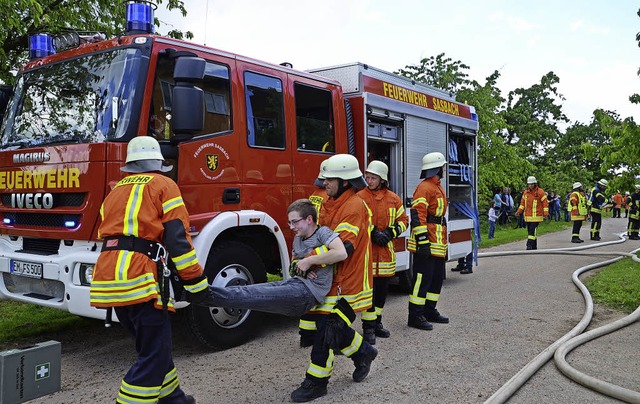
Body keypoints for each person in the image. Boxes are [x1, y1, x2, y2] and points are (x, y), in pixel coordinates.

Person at [90, 137, 214, 404]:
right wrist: (195, 281)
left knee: (153, 347)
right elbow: (178, 239)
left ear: (130, 165)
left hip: (109, 277)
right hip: (140, 278)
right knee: (154, 355)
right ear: (158, 162)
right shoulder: (164, 185)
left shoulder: (114, 190)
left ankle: (173, 399)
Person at [291, 154, 377, 403]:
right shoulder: (329, 202)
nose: (324, 183)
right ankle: (364, 353)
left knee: (327, 333)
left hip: (348, 283)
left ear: (345, 180)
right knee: (332, 330)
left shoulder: (354, 206)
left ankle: (317, 382)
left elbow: (344, 247)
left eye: (329, 179)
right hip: (330, 280)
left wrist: (308, 258)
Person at [198, 199, 347, 317]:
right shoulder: (298, 238)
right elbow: (293, 267)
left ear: (309, 219)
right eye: (289, 222)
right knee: (250, 290)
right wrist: (303, 268)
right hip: (295, 283)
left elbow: (341, 252)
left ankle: (202, 295)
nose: (291, 226)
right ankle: (202, 293)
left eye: (294, 222)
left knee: (252, 295)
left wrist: (309, 261)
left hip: (307, 294)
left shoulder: (323, 233)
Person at [357, 160, 408, 345]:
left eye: (373, 178)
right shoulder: (360, 196)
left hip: (386, 254)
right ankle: (368, 328)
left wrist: (390, 232)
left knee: (381, 293)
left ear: (382, 179)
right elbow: (358, 219)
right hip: (368, 253)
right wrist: (372, 232)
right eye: (367, 177)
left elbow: (404, 220)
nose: (368, 180)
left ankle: (377, 323)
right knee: (368, 294)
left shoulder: (394, 198)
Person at [407, 152, 450, 331]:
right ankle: (415, 315)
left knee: (436, 278)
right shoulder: (425, 187)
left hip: (438, 241)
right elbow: (418, 215)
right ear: (437, 168)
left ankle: (430, 310)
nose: (444, 169)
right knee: (422, 279)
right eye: (443, 166)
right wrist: (422, 241)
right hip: (427, 241)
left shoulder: (437, 186)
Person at [299, 161, 331, 347]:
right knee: (320, 293)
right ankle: (317, 336)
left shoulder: (313, 196)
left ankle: (305, 335)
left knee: (308, 290)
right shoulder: (328, 198)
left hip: (308, 245)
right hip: (321, 249)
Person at [515, 176, 549, 250]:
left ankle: (529, 245)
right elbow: (522, 204)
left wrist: (546, 213)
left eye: (531, 184)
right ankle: (534, 246)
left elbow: (545, 203)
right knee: (531, 231)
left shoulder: (540, 192)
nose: (530, 186)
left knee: (531, 231)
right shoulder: (525, 193)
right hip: (528, 216)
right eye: (529, 184)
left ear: (535, 184)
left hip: (537, 216)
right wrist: (519, 211)